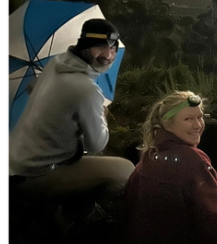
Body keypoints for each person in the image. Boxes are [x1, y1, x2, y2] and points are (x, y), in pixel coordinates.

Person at [10, 18, 135, 200]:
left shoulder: (56, 63)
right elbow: (97, 144)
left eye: (113, 47)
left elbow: (31, 88)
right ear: (85, 47)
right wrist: (102, 116)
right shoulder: (86, 89)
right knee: (125, 171)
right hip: (34, 176)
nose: (108, 55)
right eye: (100, 46)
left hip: (15, 162)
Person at [124, 91, 217, 244]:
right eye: (188, 119)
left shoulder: (149, 155)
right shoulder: (195, 161)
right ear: (167, 124)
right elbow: (213, 229)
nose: (198, 125)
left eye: (200, 117)